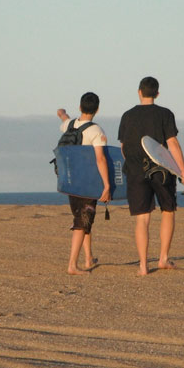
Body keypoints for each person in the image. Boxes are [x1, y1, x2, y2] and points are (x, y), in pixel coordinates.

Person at [118, 76, 184, 276]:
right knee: (168, 211)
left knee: (142, 219)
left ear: (139, 92)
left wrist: (133, 164)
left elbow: (123, 147)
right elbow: (173, 144)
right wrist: (183, 171)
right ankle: (163, 259)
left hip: (135, 170)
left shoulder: (127, 115)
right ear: (157, 94)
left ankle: (143, 265)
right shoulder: (165, 114)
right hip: (161, 170)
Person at [57, 92, 111, 275]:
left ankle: (88, 258)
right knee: (82, 221)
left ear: (80, 107)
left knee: (83, 219)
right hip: (88, 183)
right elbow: (101, 159)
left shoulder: (69, 125)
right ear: (97, 109)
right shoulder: (96, 131)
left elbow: (64, 119)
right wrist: (107, 185)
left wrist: (62, 113)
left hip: (71, 181)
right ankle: (72, 265)